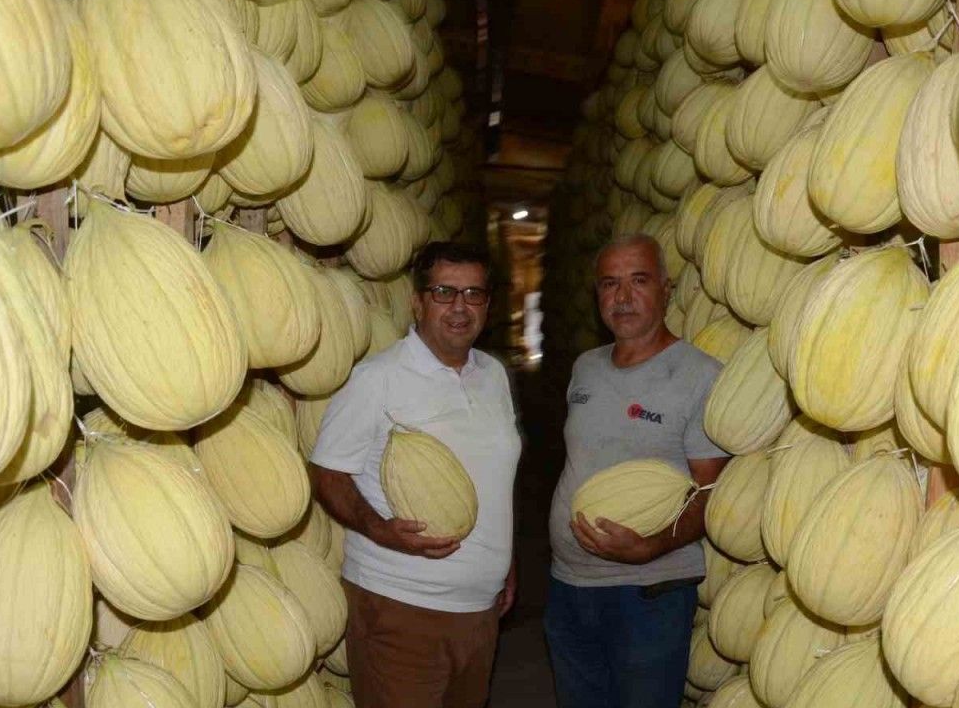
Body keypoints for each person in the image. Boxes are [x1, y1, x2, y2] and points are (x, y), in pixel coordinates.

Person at [311, 242, 522, 708]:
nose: (460, 307)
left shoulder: (492, 375)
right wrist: (379, 530)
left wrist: (504, 561)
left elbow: (494, 474)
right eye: (444, 292)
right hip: (401, 609)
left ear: (488, 304)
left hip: (479, 612)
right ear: (418, 302)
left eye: (474, 293)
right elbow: (327, 472)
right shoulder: (377, 378)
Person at [545, 233, 731, 708]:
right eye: (610, 284)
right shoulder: (585, 367)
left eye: (639, 281)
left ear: (666, 290)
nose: (623, 297)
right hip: (569, 585)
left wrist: (650, 548)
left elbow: (712, 490)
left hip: (649, 594)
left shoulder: (700, 376)